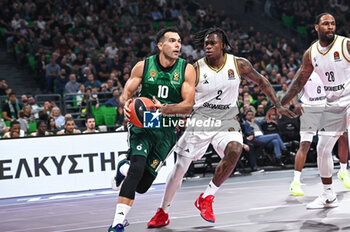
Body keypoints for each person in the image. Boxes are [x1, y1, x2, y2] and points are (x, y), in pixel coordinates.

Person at [147, 27, 295, 228]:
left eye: (212, 43)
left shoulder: (239, 64)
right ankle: (163, 210)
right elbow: (182, 96)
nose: (207, 47)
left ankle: (206, 197)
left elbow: (261, 81)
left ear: (223, 45)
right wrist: (173, 113)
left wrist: (277, 104)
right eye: (205, 44)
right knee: (180, 168)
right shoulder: (195, 69)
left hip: (227, 118)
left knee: (235, 149)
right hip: (200, 119)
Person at [108, 27, 196, 232]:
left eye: (179, 41)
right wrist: (126, 107)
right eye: (172, 41)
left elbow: (188, 105)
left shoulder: (186, 69)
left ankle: (123, 166)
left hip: (167, 128)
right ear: (160, 45)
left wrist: (167, 109)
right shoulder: (143, 66)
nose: (177, 45)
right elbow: (125, 94)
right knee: (137, 167)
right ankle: (117, 222)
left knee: (143, 184)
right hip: (145, 122)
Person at [281, 13, 350, 209]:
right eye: (326, 24)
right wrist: (280, 104)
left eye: (333, 23)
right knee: (322, 149)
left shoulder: (345, 45)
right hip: (333, 105)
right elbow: (298, 82)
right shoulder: (311, 54)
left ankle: (344, 171)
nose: (330, 27)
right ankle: (329, 195)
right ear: (316, 28)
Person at [289, 71, 349, 196]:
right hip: (309, 108)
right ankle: (296, 181)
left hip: (328, 107)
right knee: (305, 144)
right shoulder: (304, 69)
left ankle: (343, 171)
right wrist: (295, 104)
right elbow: (293, 88)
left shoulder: (328, 66)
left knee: (343, 136)